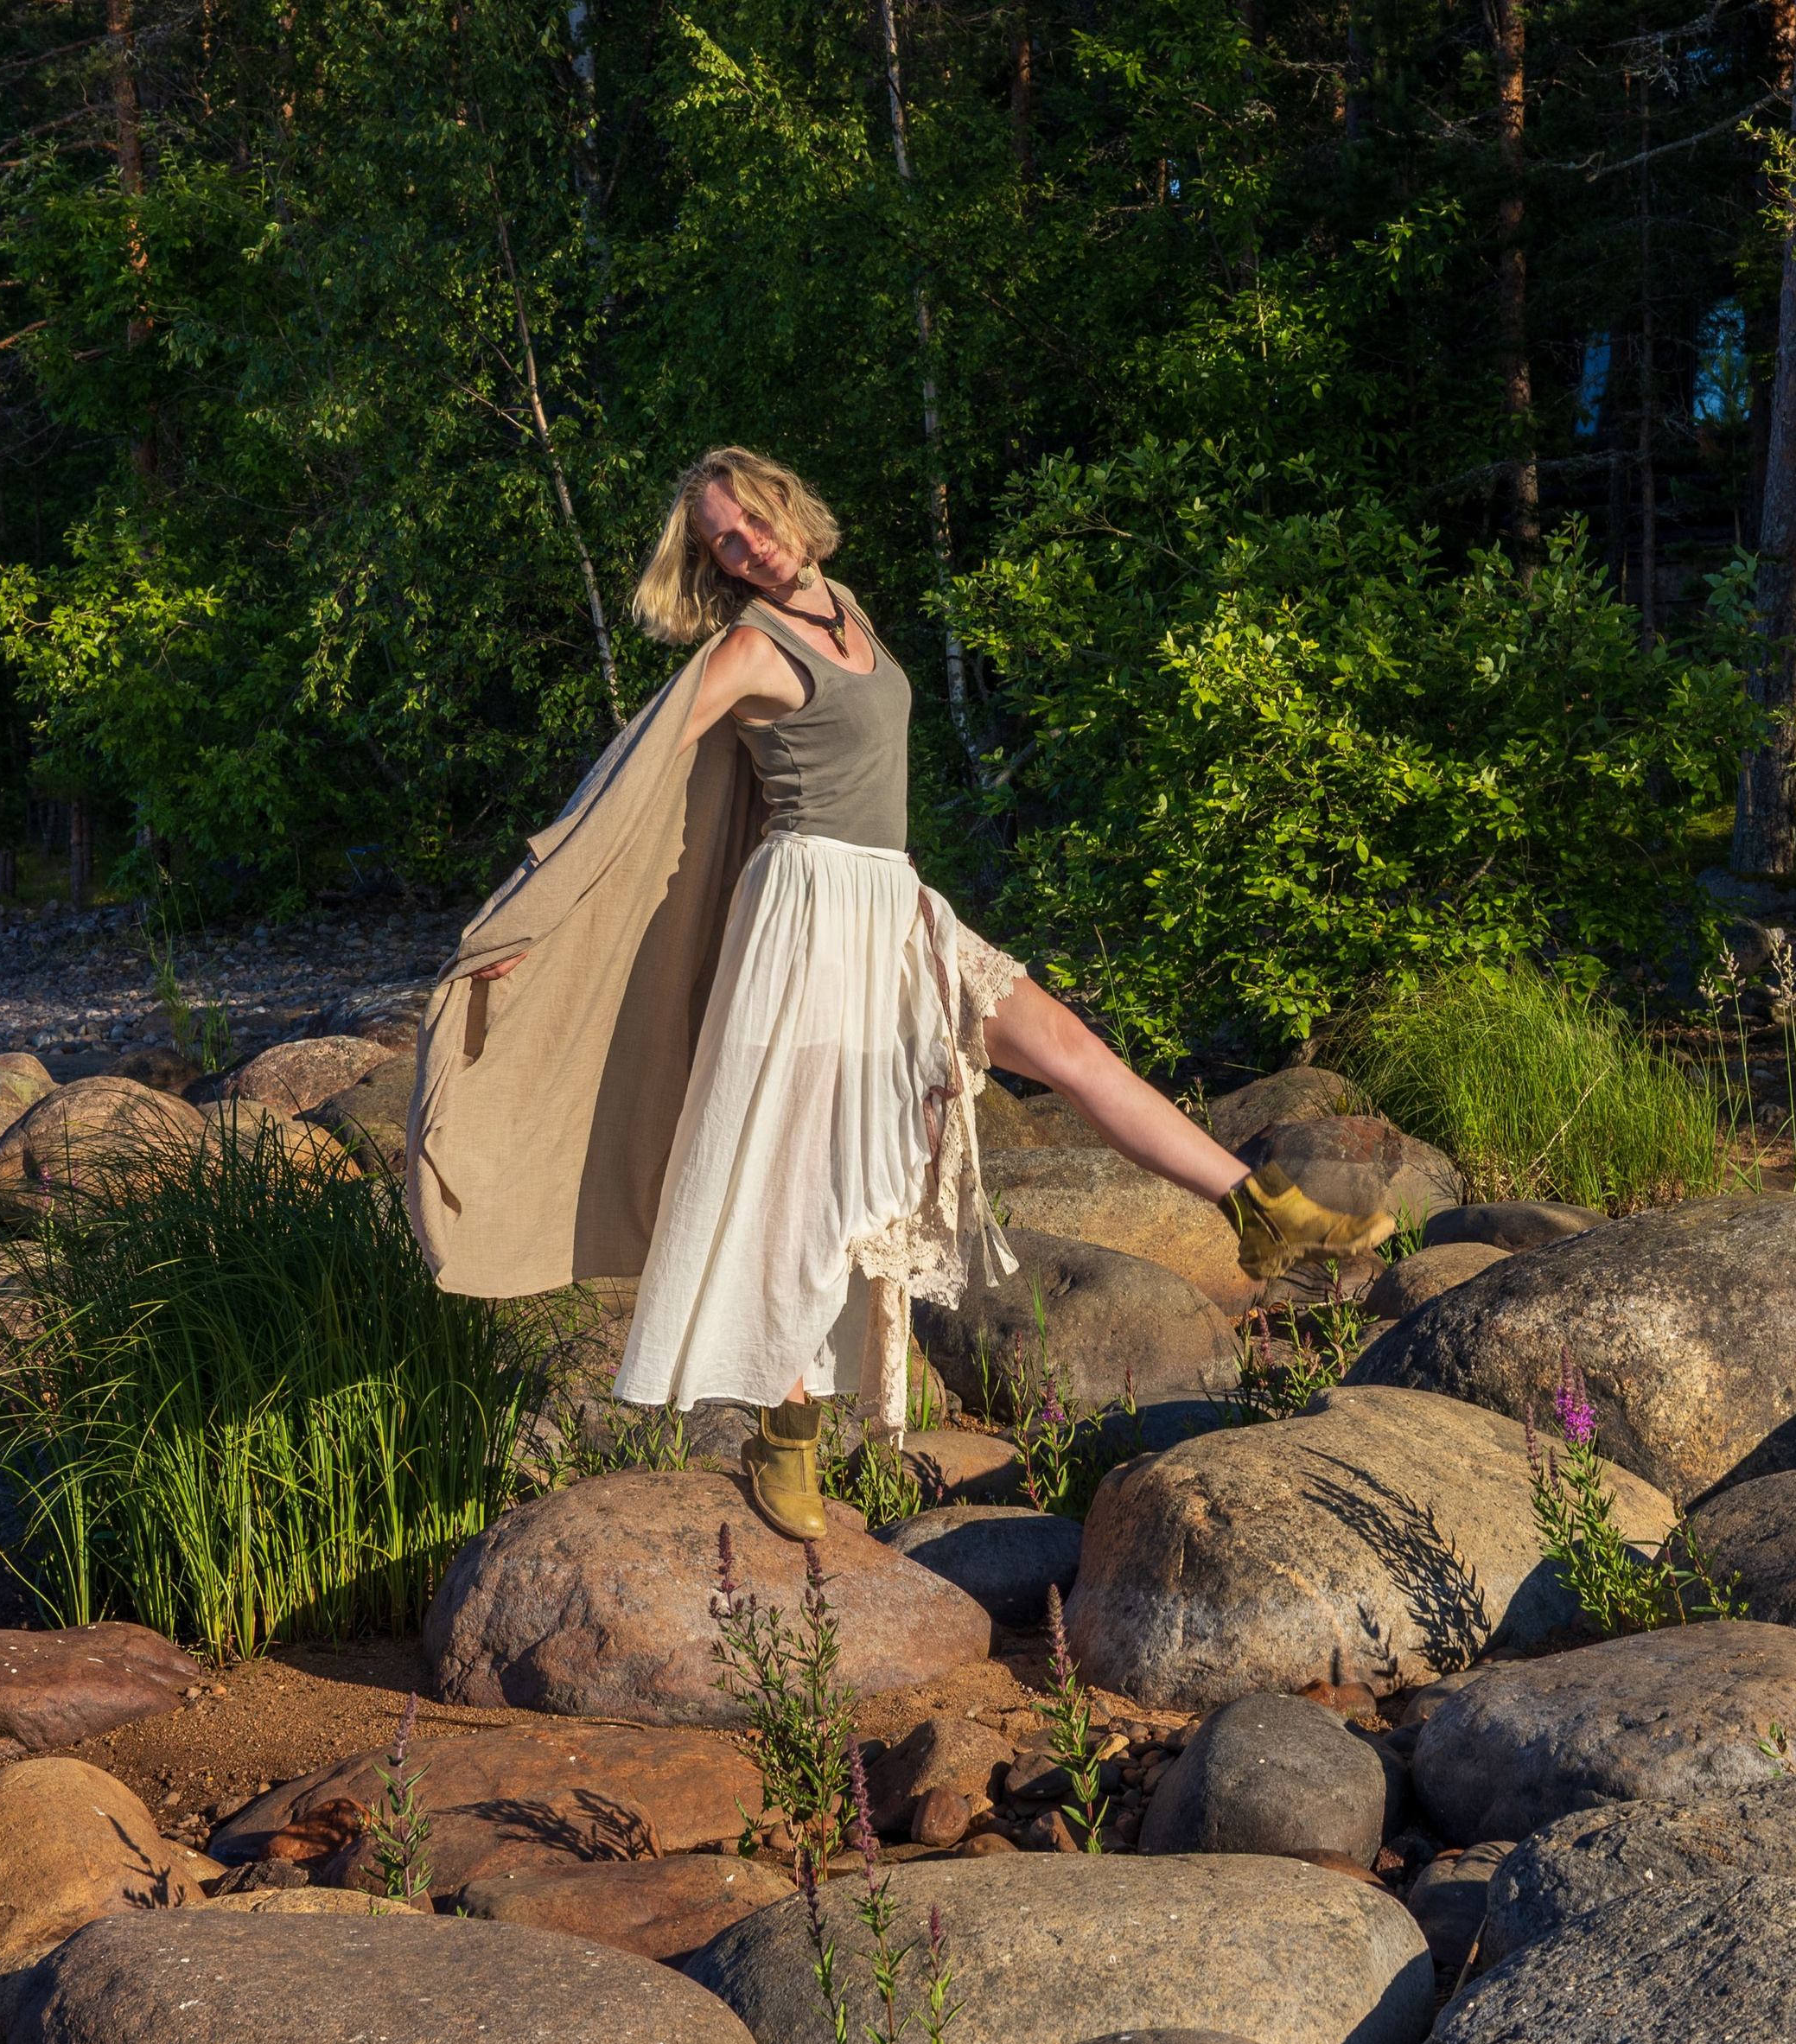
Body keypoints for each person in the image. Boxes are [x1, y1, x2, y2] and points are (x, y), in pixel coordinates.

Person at [405, 446, 1392, 1546]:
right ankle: (782, 1431)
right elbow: (631, 773)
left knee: (1065, 1045)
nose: (747, 547)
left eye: (752, 523)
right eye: (722, 542)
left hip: (896, 902)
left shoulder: (845, 606)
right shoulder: (745, 647)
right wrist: (529, 919)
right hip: (809, 919)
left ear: (788, 505)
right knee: (803, 1171)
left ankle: (1262, 1213)